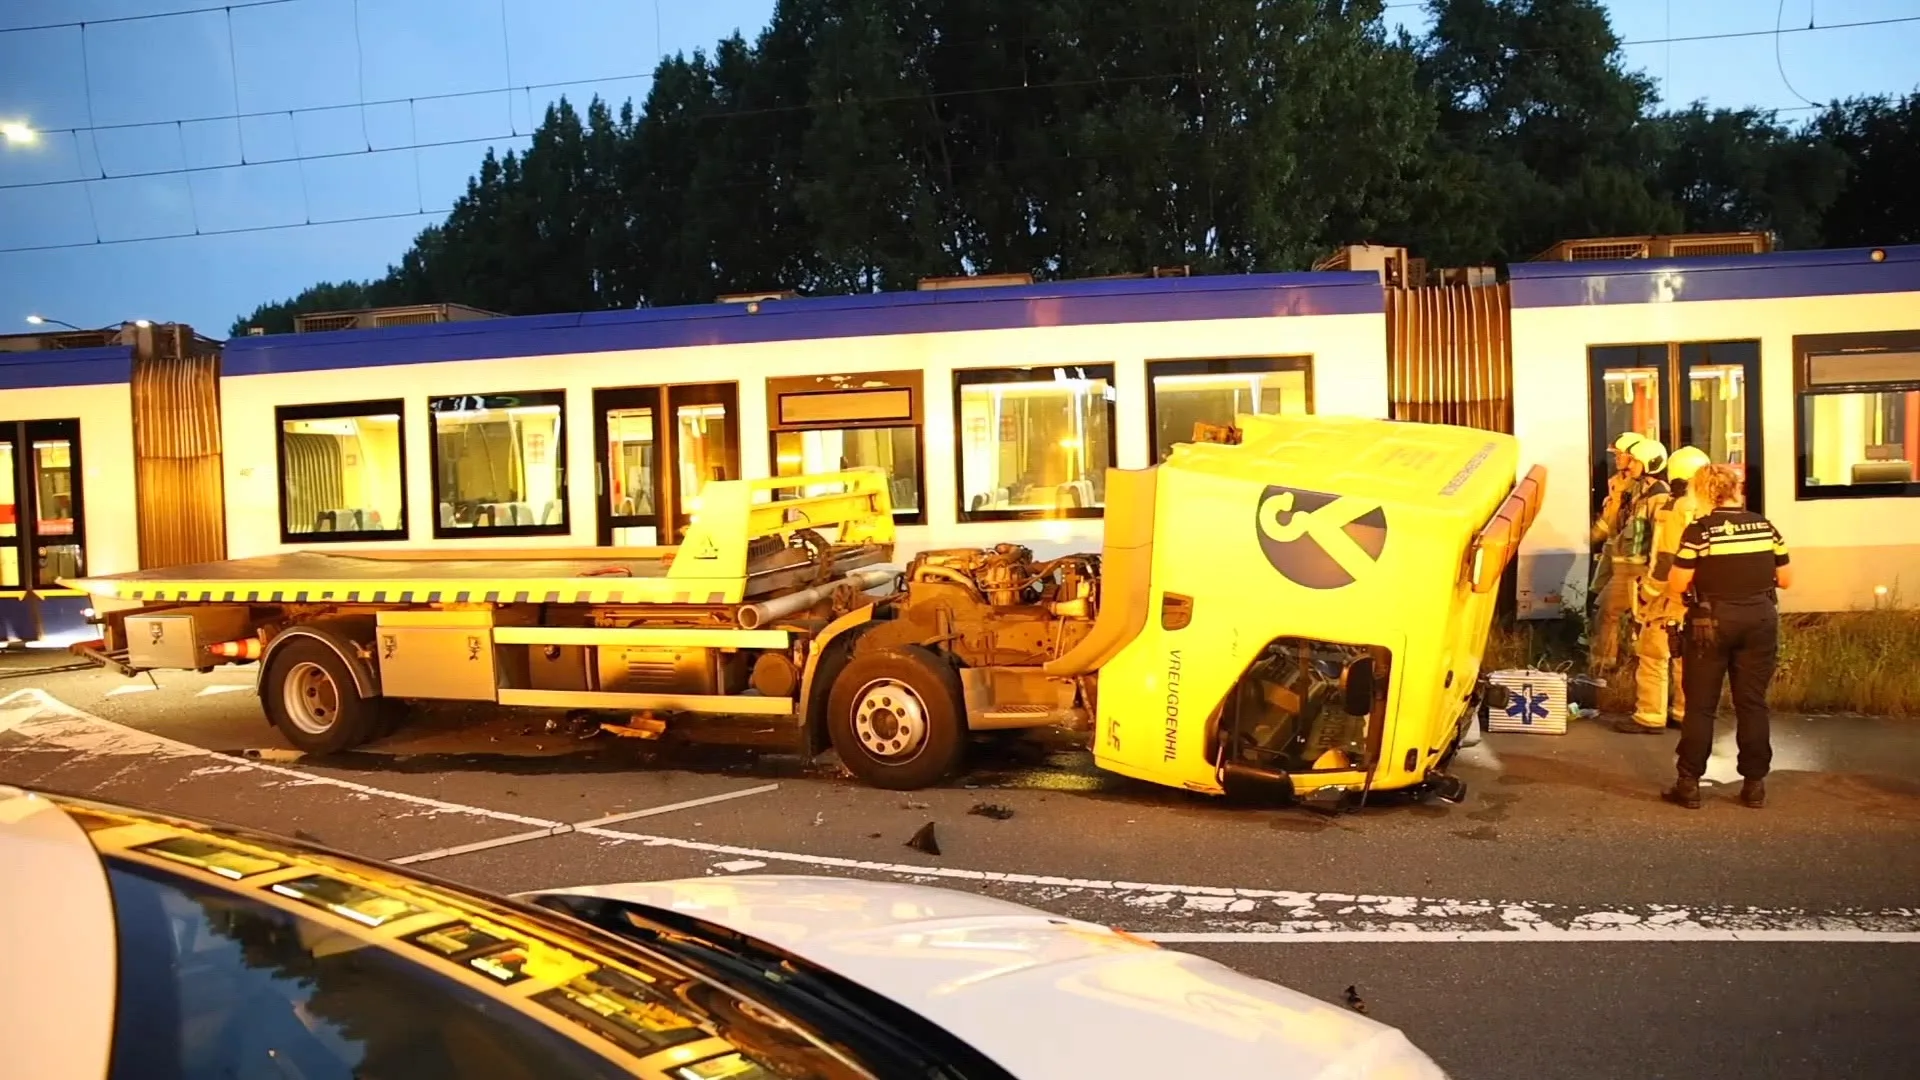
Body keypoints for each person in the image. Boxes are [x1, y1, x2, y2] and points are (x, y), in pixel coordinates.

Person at [1657, 463, 1791, 810]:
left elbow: (1677, 584)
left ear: (1703, 493)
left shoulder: (1700, 531)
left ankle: (1688, 784)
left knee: (1701, 707)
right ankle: (1754, 785)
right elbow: (1787, 579)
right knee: (1752, 703)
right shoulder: (1765, 527)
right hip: (1760, 619)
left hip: (1710, 624)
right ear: (1735, 489)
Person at [1615, 445, 1712, 735]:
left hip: (1671, 591)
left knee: (1654, 653)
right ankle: (1684, 712)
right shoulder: (1710, 507)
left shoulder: (1676, 507)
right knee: (1686, 654)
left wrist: (1650, 592)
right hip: (1700, 593)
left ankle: (1649, 715)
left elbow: (1667, 556)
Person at [1589, 437, 1669, 674]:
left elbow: (1658, 539)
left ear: (1649, 464)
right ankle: (1614, 663)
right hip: (1624, 564)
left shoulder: (1658, 495)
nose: (1626, 464)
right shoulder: (1636, 490)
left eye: (1634, 461)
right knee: (1609, 611)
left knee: (1608, 610)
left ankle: (1604, 667)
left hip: (1637, 569)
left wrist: (1653, 576)